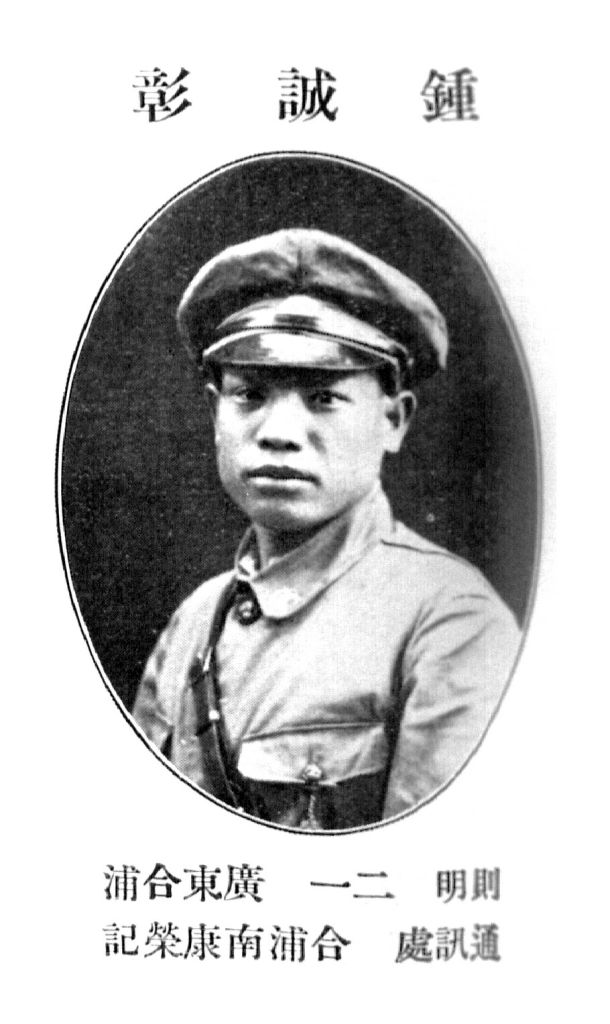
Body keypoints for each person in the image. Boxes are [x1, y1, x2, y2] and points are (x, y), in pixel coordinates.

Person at [132, 227, 520, 831]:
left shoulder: (450, 621)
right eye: (249, 395)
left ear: (393, 420)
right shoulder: (193, 622)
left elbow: (426, 860)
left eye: (323, 398)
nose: (279, 432)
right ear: (214, 413)